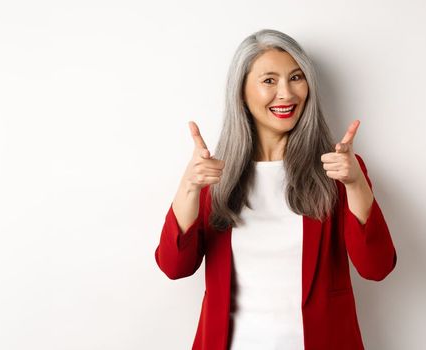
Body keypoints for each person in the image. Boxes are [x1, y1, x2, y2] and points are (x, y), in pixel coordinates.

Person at [154, 29, 397, 350]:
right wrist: (188, 186)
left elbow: (376, 267)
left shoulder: (338, 169)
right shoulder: (213, 176)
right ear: (241, 92)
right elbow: (175, 267)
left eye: (296, 78)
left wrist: (355, 184)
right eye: (269, 80)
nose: (286, 93)